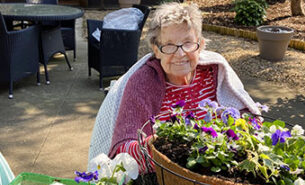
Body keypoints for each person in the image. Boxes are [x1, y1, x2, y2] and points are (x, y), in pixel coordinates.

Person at [87, 3, 260, 172]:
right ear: (156, 50)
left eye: (188, 43)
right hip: (165, 180)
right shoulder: (141, 83)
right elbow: (123, 151)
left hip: (220, 170)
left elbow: (246, 116)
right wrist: (156, 147)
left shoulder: (215, 71)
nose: (180, 54)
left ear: (201, 45)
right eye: (169, 45)